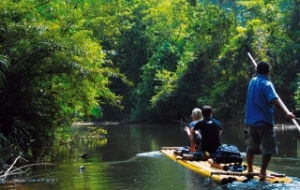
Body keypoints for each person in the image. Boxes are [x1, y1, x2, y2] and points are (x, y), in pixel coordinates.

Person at [244, 61, 295, 179]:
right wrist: (286, 112)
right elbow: (274, 99)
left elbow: (256, 77)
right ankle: (262, 172)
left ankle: (250, 169)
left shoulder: (252, 82)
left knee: (252, 146)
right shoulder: (267, 84)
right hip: (264, 121)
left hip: (251, 121)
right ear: (268, 71)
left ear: (256, 71)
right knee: (269, 147)